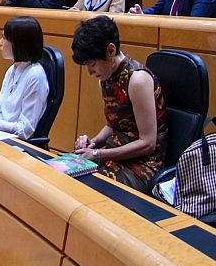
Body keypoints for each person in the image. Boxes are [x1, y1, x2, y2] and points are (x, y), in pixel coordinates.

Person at [71, 15, 167, 193]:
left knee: (86, 187)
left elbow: (148, 143)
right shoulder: (106, 78)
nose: (90, 72)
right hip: (114, 154)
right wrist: (92, 143)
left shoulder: (137, 79)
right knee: (66, 175)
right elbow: (113, 124)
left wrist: (99, 155)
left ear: (110, 50)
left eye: (92, 64)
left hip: (142, 166)